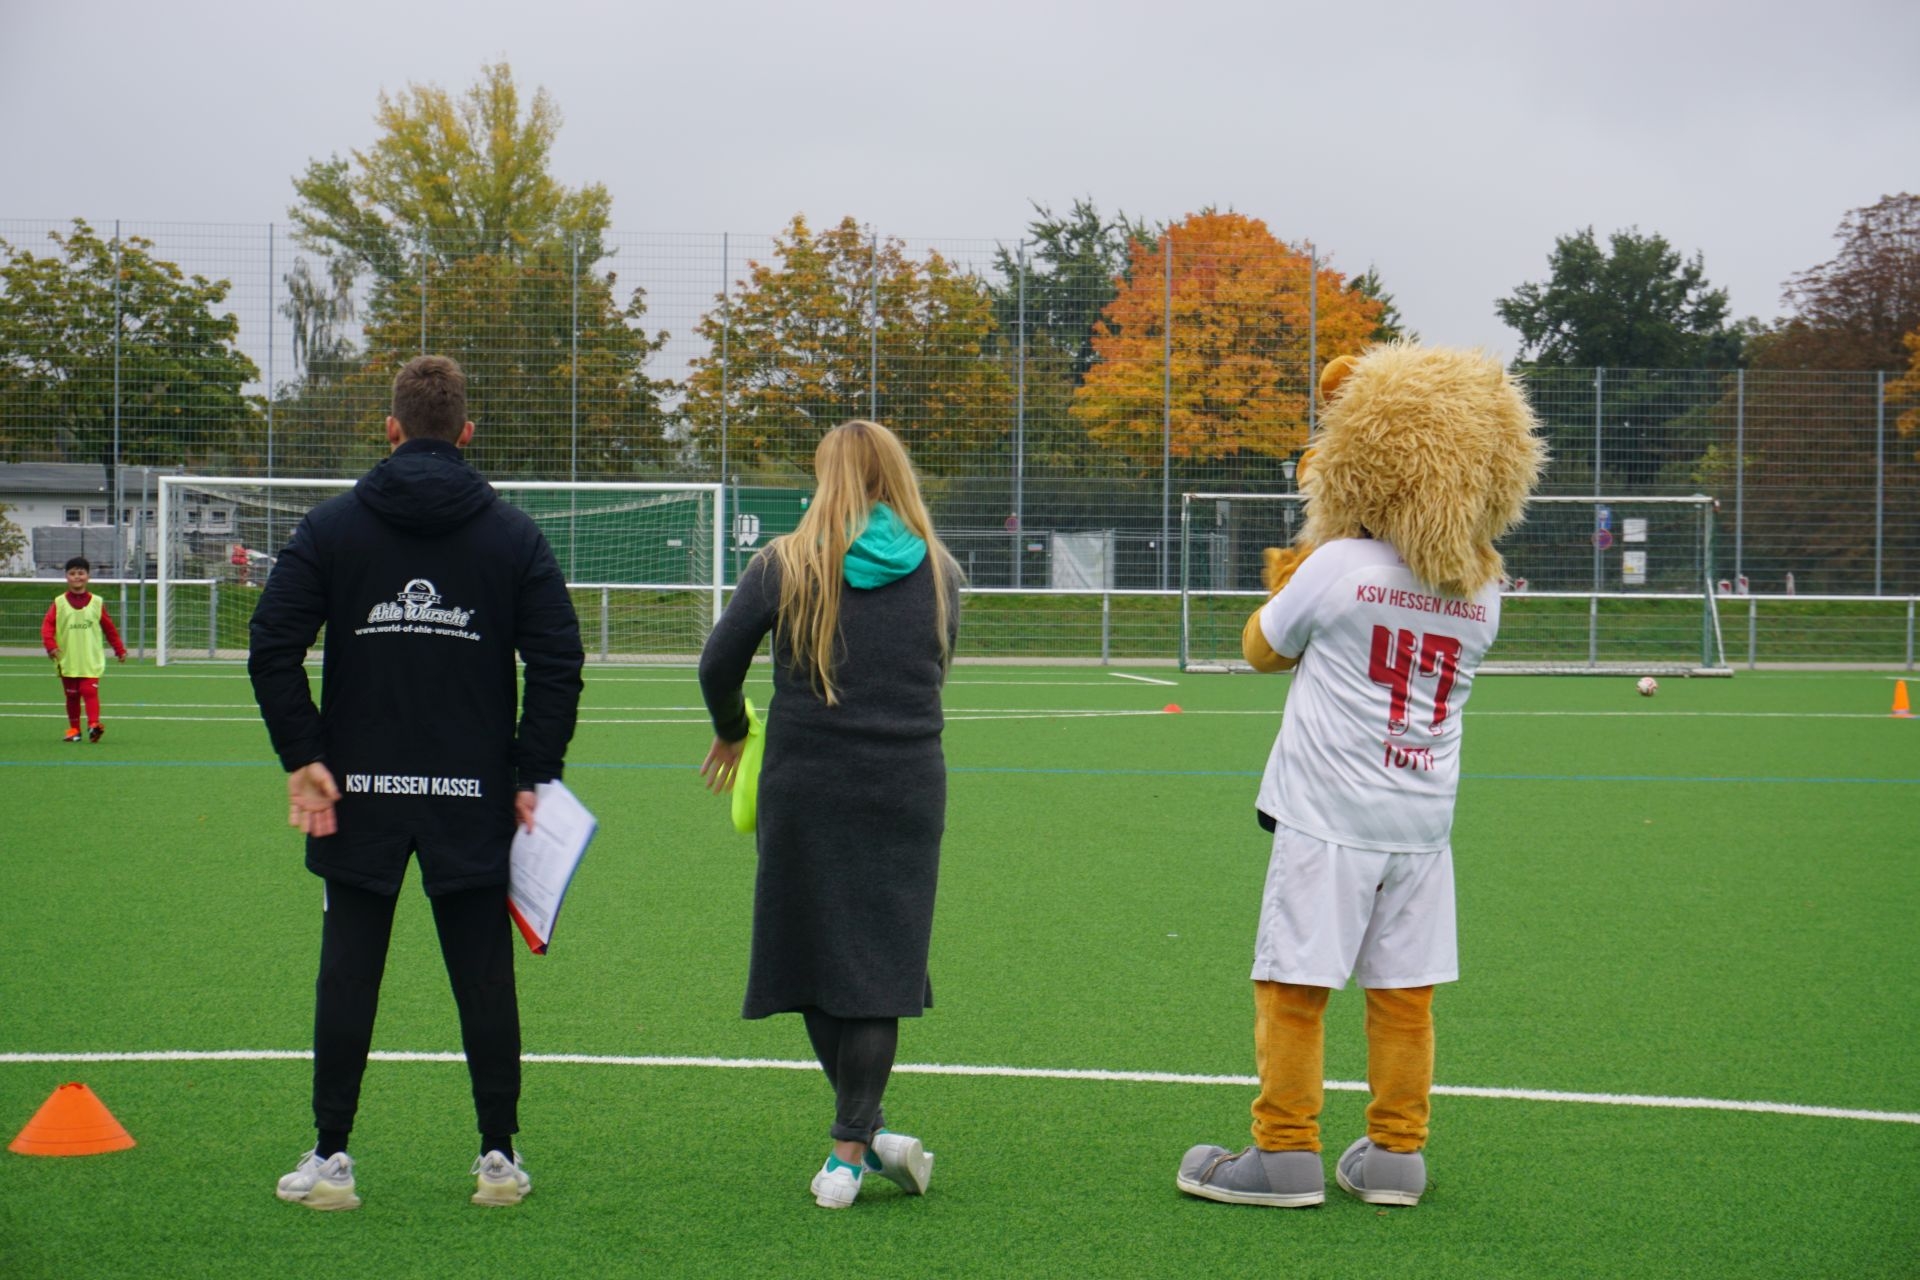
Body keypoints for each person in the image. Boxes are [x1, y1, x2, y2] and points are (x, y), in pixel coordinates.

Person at [1176, 345, 1546, 1210]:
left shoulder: (1340, 566)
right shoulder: (1484, 588)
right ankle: (1395, 1156)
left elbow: (1262, 648)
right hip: (1421, 822)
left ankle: (1284, 1152)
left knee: (1294, 987)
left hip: (1328, 814)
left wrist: (1303, 561)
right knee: (1404, 994)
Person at [248, 355, 584, 1212]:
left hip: (356, 792)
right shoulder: (512, 534)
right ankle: (498, 1158)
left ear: (391, 428)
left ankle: (331, 1158)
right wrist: (533, 773)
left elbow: (271, 645)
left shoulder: (332, 527)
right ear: (465, 432)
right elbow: (559, 660)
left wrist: (305, 756)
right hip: (473, 793)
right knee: (484, 974)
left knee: (348, 969)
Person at [698, 419, 959, 1210]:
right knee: (878, 970)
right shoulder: (941, 570)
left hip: (807, 785)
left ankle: (847, 1155)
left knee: (815, 958)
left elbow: (717, 663)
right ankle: (868, 1135)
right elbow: (937, 665)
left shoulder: (784, 563)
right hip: (907, 787)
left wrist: (733, 730)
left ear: (826, 477)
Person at [43, 556, 128, 743]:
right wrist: (51, 646)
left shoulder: (96, 602)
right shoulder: (59, 602)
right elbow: (47, 626)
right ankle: (74, 730)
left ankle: (93, 725)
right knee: (72, 696)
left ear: (88, 576)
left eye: (81, 573)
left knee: (89, 691)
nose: (77, 577)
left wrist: (119, 649)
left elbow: (109, 628)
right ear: (66, 577)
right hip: (67, 658)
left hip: (90, 658)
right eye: (72, 573)